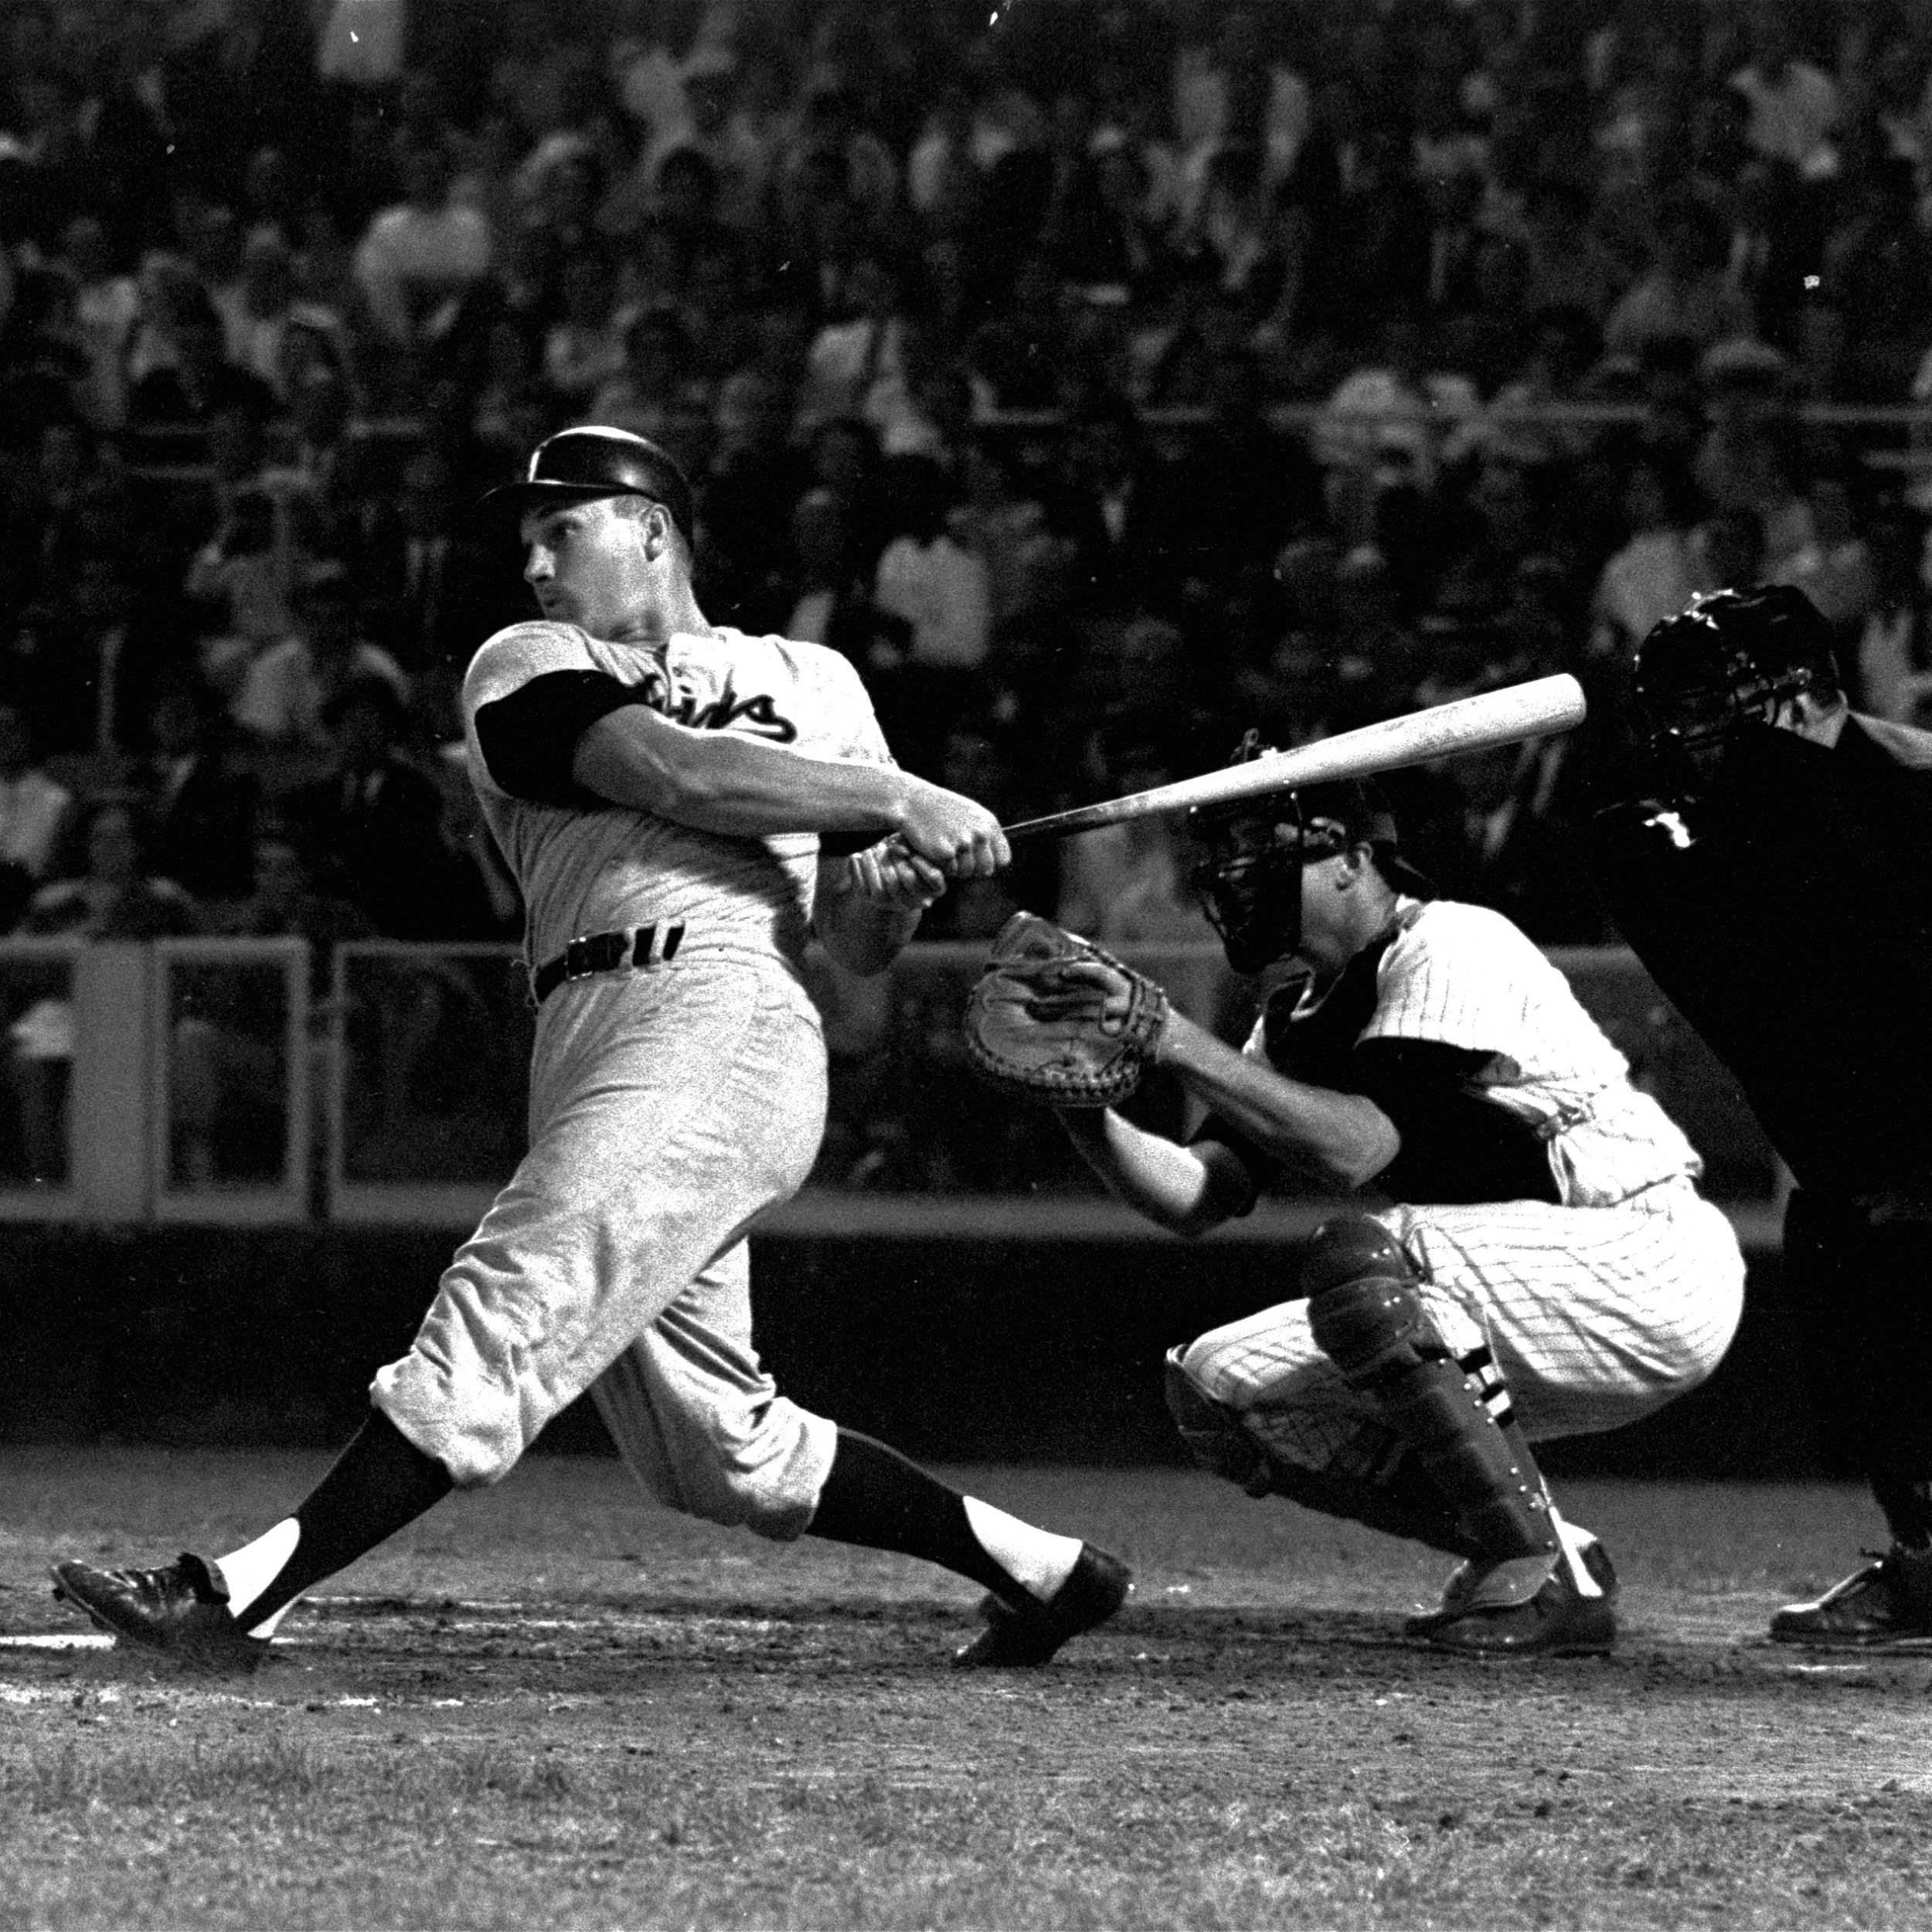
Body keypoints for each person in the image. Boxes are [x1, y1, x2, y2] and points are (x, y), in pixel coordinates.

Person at [50, 424, 1129, 1673]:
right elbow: (664, 769)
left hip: (726, 1016)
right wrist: (896, 801)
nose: (538, 564)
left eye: (563, 532)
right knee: (717, 1447)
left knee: (516, 1286)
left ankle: (239, 1591)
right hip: (588, 1027)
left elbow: (860, 944)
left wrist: (898, 883)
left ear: (653, 531)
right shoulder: (526, 662)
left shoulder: (817, 680)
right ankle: (1046, 1572)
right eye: (529, 541)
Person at [1016, 755, 1744, 1655]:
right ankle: (1548, 1546)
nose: (1231, 874)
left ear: (1353, 858)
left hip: (1644, 1258)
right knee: (1216, 1386)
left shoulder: (1449, 940)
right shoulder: (1292, 1017)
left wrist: (1167, 1035)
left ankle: (1542, 1578)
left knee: (1361, 1260)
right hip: (1498, 1287)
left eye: (1258, 849)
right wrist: (1080, 1103)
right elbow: (1196, 1195)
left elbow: (1357, 1145)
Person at [1590, 583, 1932, 1644]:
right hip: (1862, 1140)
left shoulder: (1911, 784)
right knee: (1849, 1250)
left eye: (1704, 705)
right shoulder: (1720, 830)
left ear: (1786, 700)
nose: (1682, 737)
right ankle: (1924, 1567)